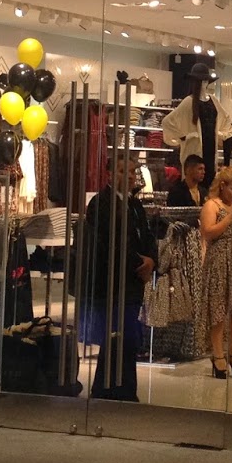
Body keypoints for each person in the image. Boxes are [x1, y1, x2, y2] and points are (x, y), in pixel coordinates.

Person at [80, 152, 157, 402]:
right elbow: (108, 244)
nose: (130, 176)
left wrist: (151, 260)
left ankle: (125, 390)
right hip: (112, 283)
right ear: (111, 174)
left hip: (133, 284)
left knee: (129, 338)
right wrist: (138, 264)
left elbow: (147, 236)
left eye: (132, 172)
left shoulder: (135, 205)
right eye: (124, 171)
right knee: (114, 336)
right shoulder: (101, 203)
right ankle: (107, 389)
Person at [200, 166, 232, 378]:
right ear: (222, 186)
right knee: (218, 308)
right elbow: (207, 233)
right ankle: (218, 355)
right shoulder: (211, 205)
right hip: (219, 259)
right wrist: (229, 219)